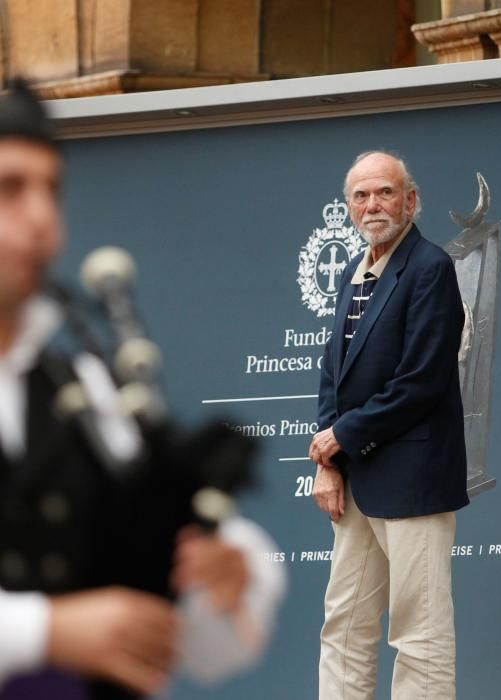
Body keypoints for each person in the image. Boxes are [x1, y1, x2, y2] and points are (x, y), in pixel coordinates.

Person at [0, 79, 284, 699]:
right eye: (10, 189)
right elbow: (63, 628)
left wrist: (220, 576)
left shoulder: (82, 391)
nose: (44, 221)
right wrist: (40, 632)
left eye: (53, 190)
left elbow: (199, 644)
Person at [308, 150, 468, 700]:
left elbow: (421, 380)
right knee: (344, 627)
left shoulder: (430, 268)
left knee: (418, 635)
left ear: (411, 201)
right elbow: (334, 372)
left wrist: (342, 435)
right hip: (356, 483)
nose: (372, 205)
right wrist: (330, 461)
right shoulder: (357, 270)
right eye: (360, 195)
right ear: (349, 206)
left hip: (414, 481)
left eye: (384, 192)